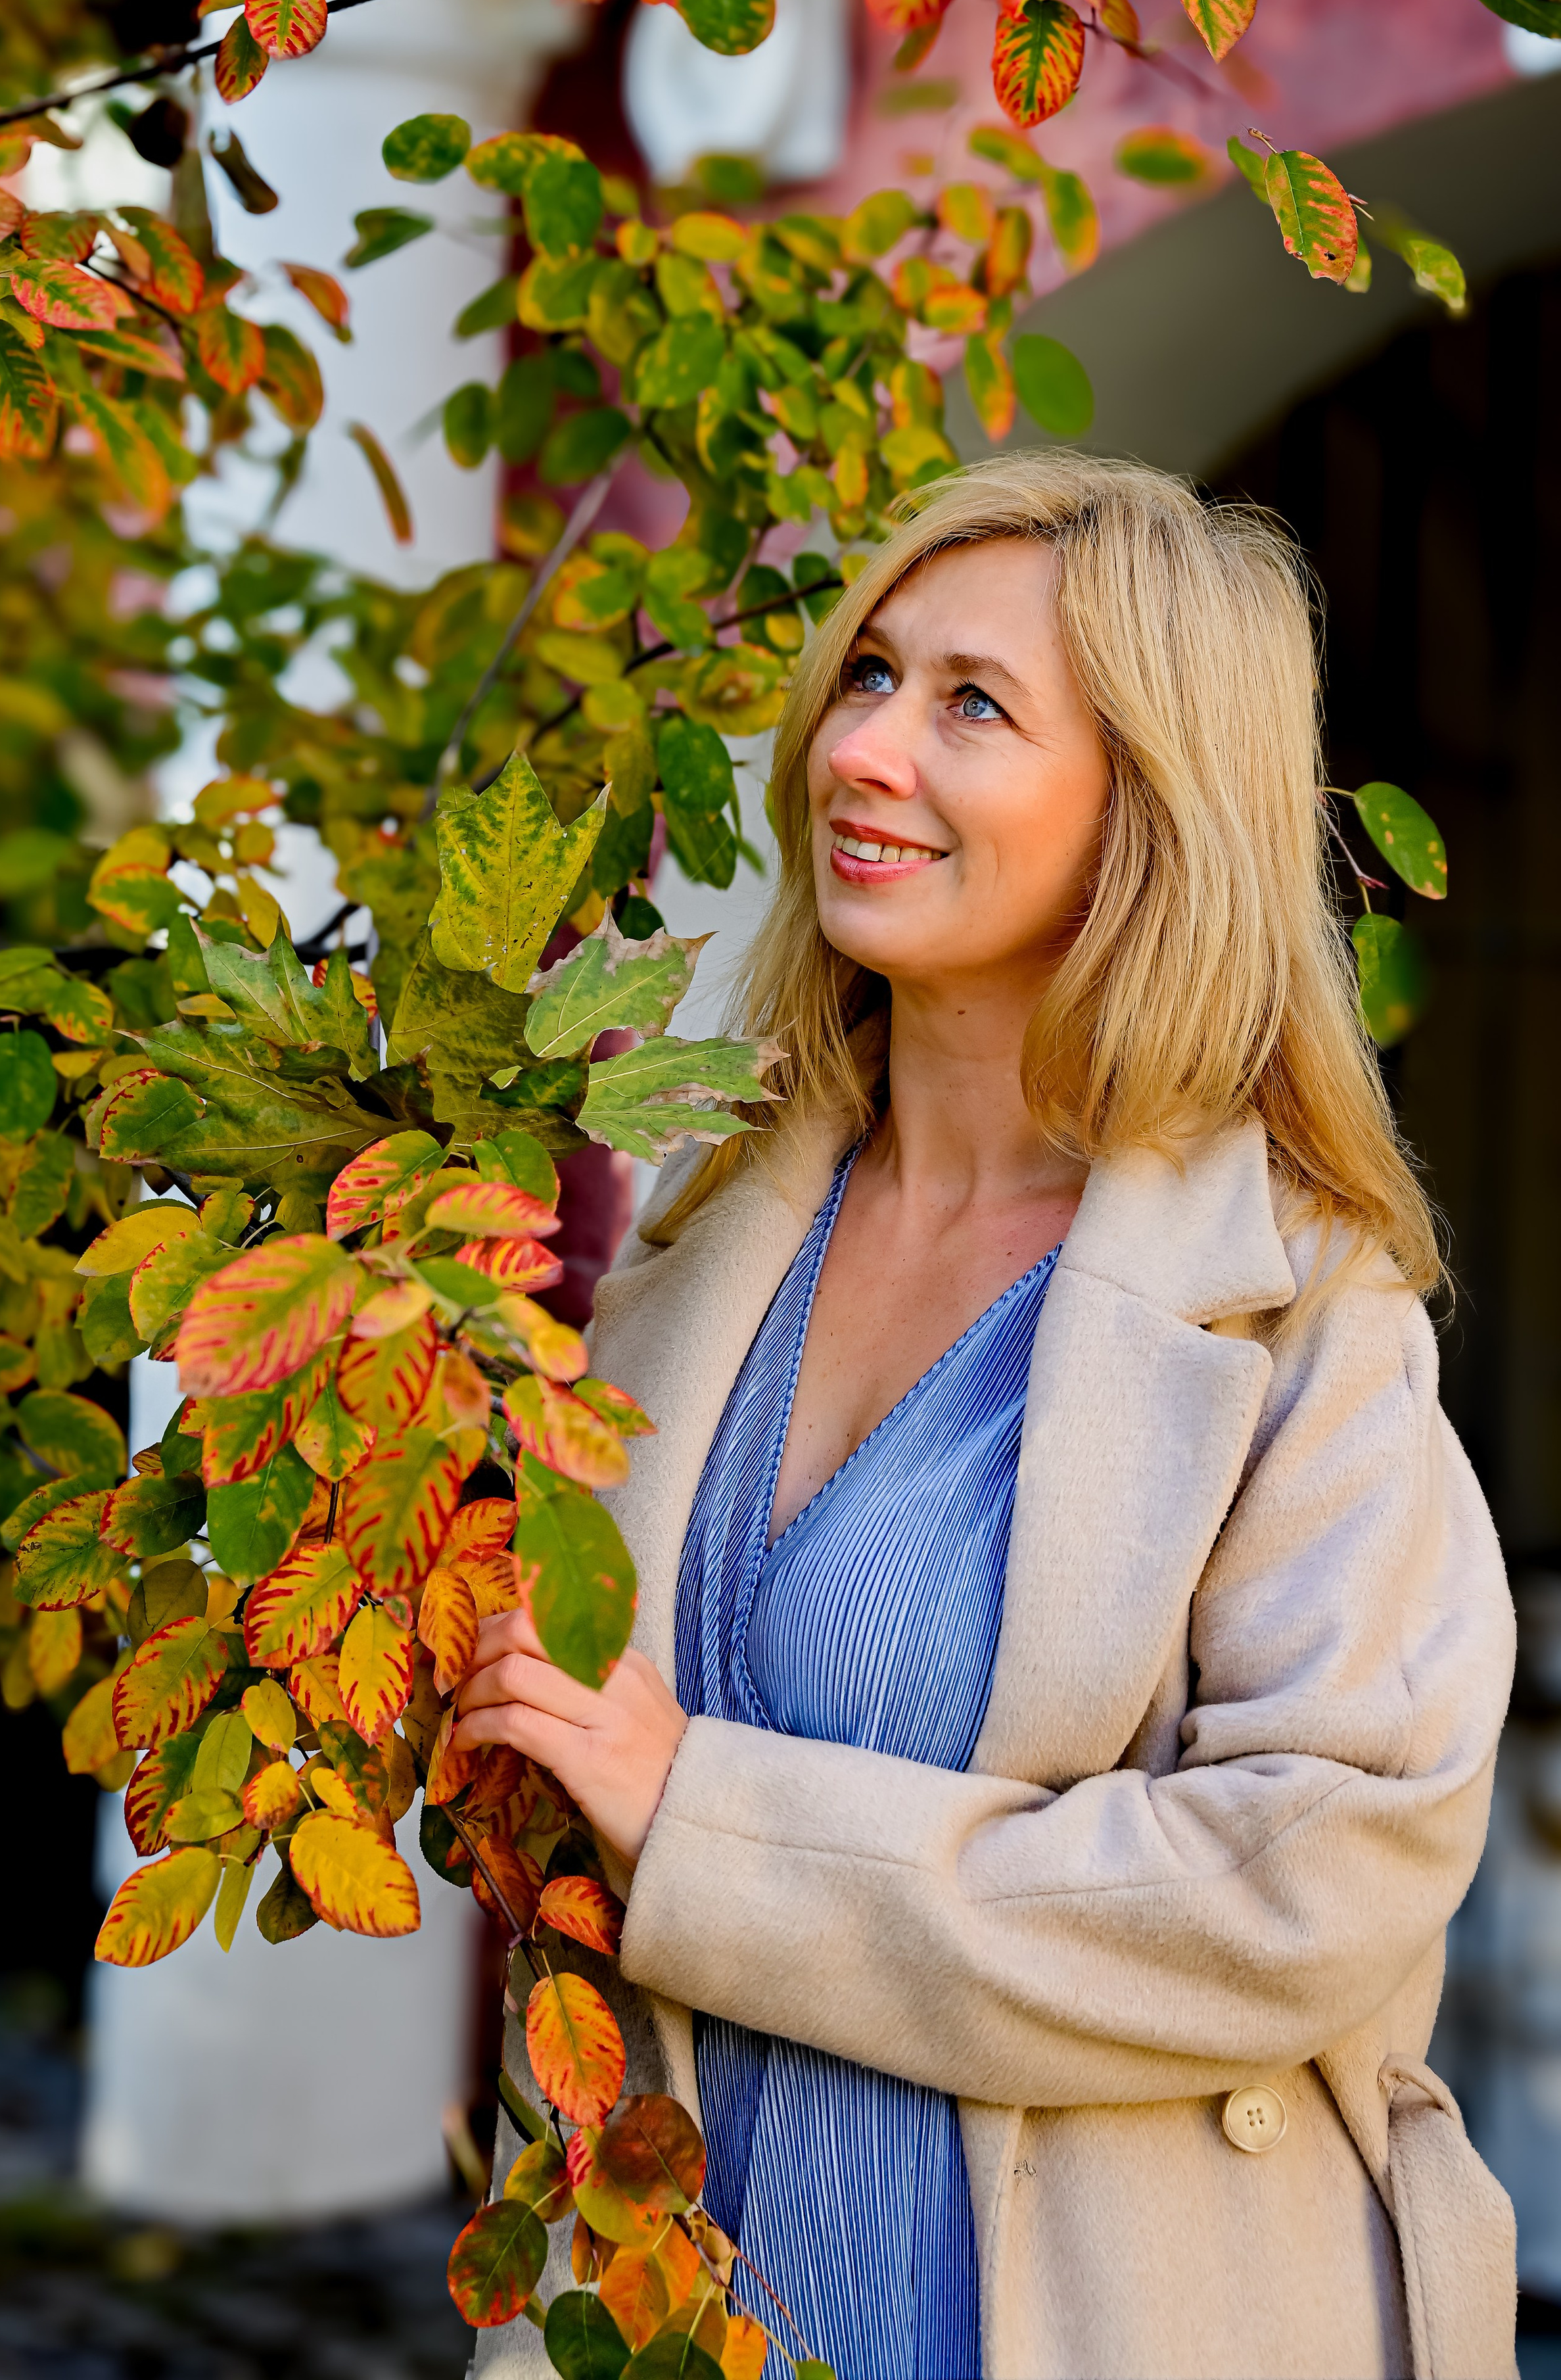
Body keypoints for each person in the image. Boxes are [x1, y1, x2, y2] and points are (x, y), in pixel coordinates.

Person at [455, 454, 1518, 2380]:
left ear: (1143, 811)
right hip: (673, 2310)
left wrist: (708, 1821)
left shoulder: (1300, 1313)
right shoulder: (703, 1238)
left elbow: (1314, 1874)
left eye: (973, 707)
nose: (864, 752)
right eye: (869, 676)